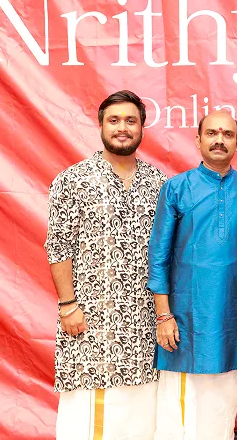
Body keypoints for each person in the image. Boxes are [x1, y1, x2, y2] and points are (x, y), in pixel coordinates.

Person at [44, 90, 167, 440]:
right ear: (100, 126)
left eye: (131, 121)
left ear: (142, 127)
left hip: (143, 323)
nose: (122, 128)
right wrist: (68, 305)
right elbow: (58, 247)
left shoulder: (159, 183)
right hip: (90, 319)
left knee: (140, 410)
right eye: (114, 121)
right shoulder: (73, 179)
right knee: (87, 411)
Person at [147, 110, 237, 440]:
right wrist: (164, 316)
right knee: (179, 409)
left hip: (232, 315)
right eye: (213, 133)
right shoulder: (176, 188)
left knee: (222, 401)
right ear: (198, 140)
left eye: (228, 134)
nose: (220, 139)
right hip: (183, 318)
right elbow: (158, 256)